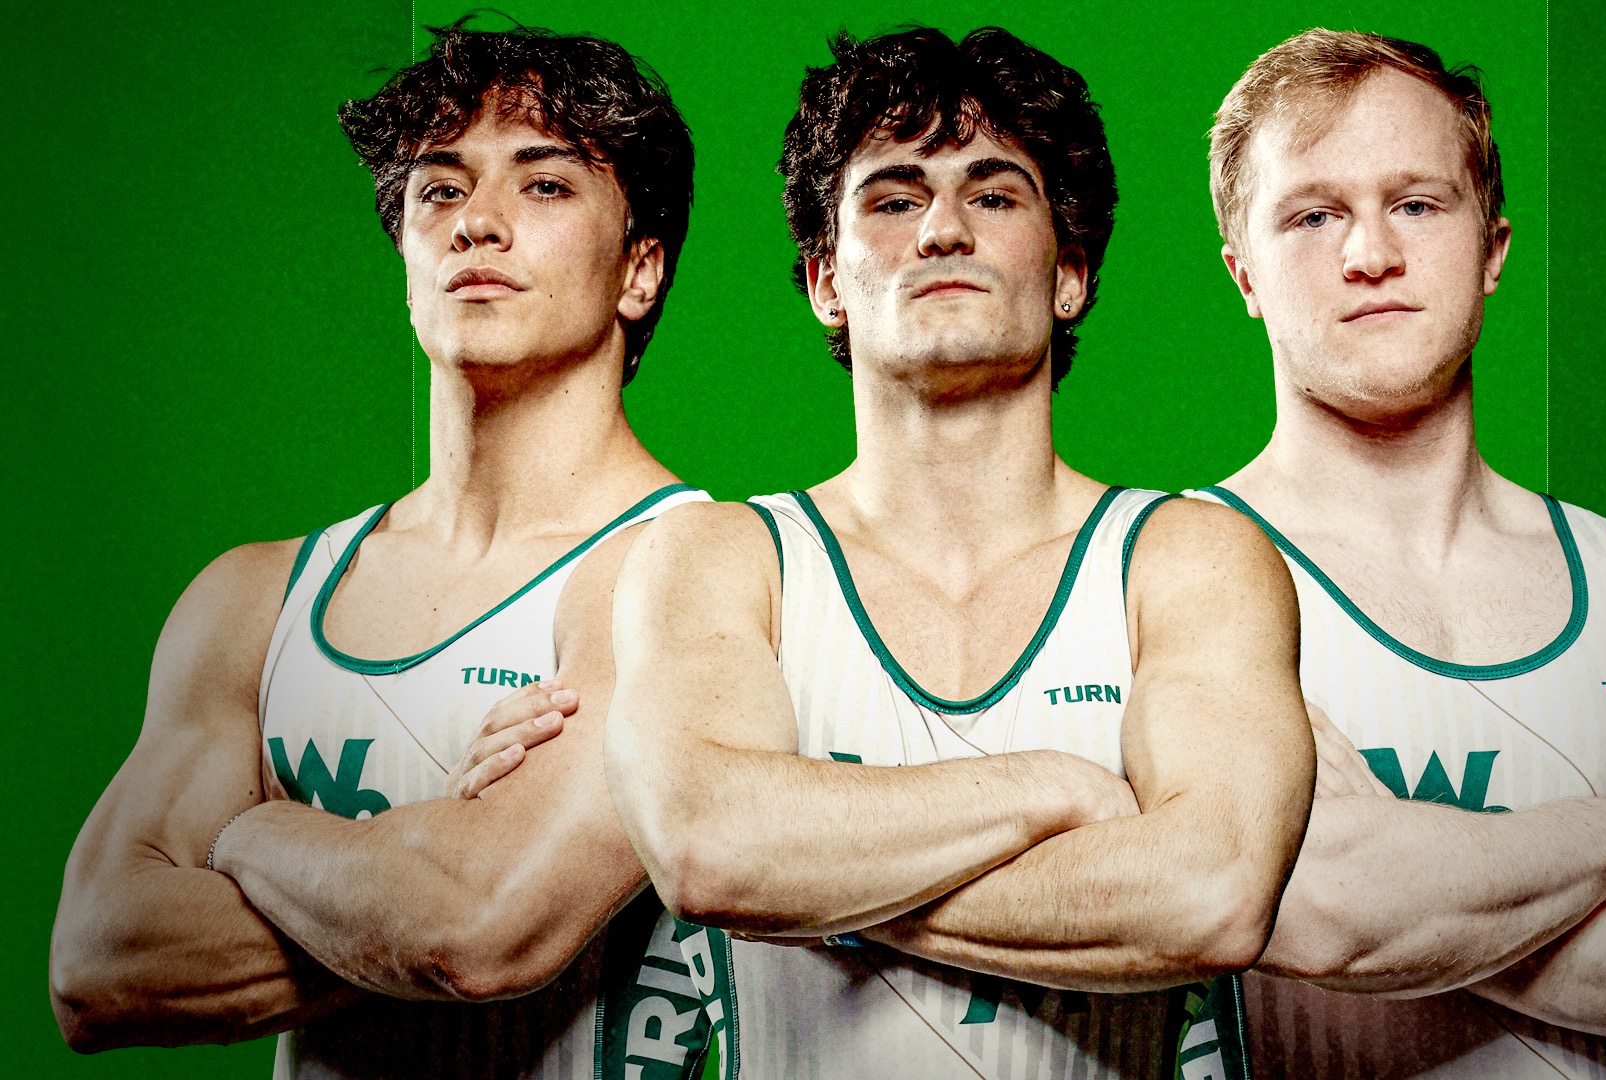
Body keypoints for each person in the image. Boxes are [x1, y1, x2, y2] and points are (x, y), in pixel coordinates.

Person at [600, 27, 1315, 1080]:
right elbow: (709, 849)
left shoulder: (1187, 560)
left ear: (1070, 273)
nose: (942, 229)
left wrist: (820, 879)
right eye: (893, 200)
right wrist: (1050, 792)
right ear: (825, 282)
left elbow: (1213, 895)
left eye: (993, 195)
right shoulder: (716, 556)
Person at [50, 22, 721, 1078]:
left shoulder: (690, 568)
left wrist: (246, 836)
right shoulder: (257, 599)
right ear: (405, 254)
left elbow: (477, 927)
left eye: (544, 185)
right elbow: (97, 965)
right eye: (440, 191)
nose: (478, 223)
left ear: (639, 269)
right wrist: (415, 856)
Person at [1189, 28, 1606, 1078]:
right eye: (1313, 215)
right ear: (1245, 274)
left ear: (1493, 248)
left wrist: (1415, 903)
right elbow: (1330, 909)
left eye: (1417, 204)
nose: (1371, 254)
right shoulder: (1176, 574)